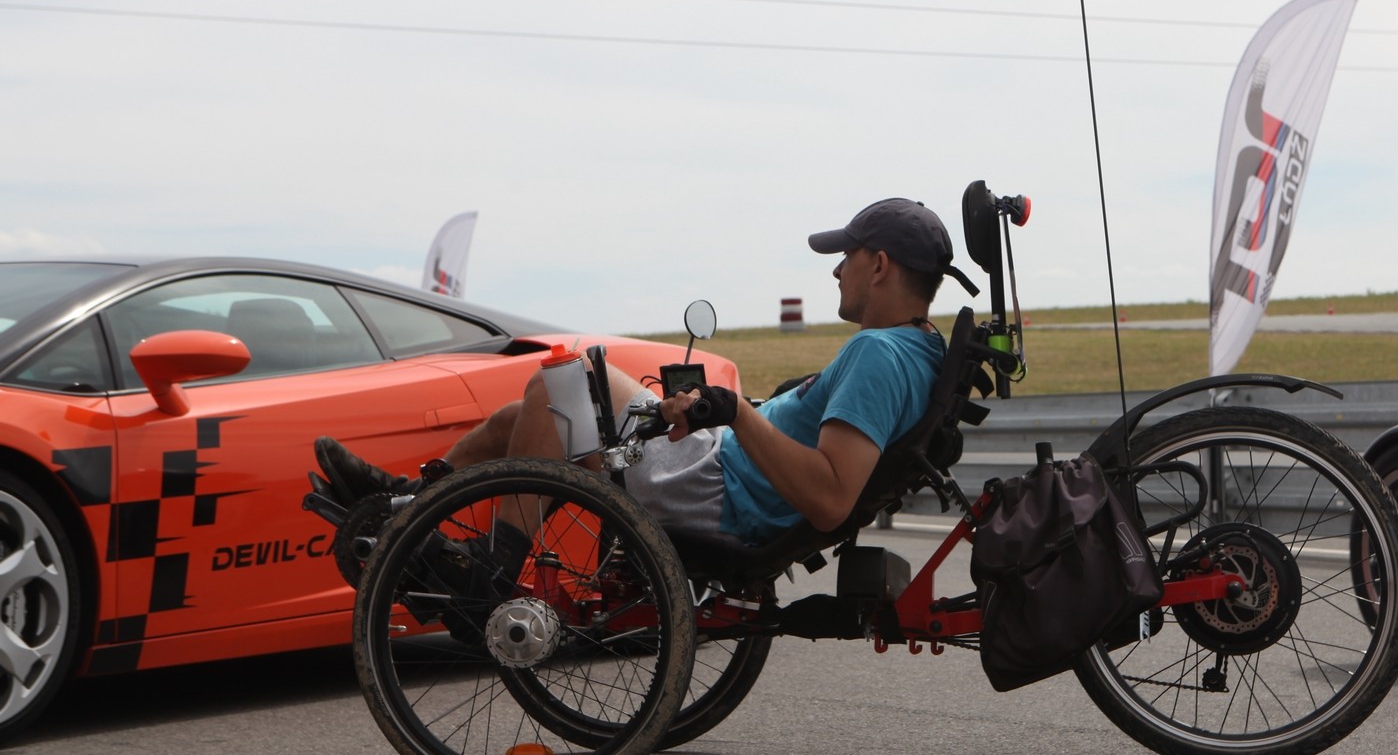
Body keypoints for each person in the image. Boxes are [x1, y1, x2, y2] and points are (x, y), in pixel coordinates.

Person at [315, 198, 973, 559]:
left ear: (878, 265)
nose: (835, 270)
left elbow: (829, 498)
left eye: (846, 257)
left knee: (557, 384)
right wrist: (726, 409)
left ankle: (492, 570)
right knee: (519, 419)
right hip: (717, 462)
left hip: (718, 484)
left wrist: (737, 412)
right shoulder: (916, 348)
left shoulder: (878, 354)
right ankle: (409, 503)